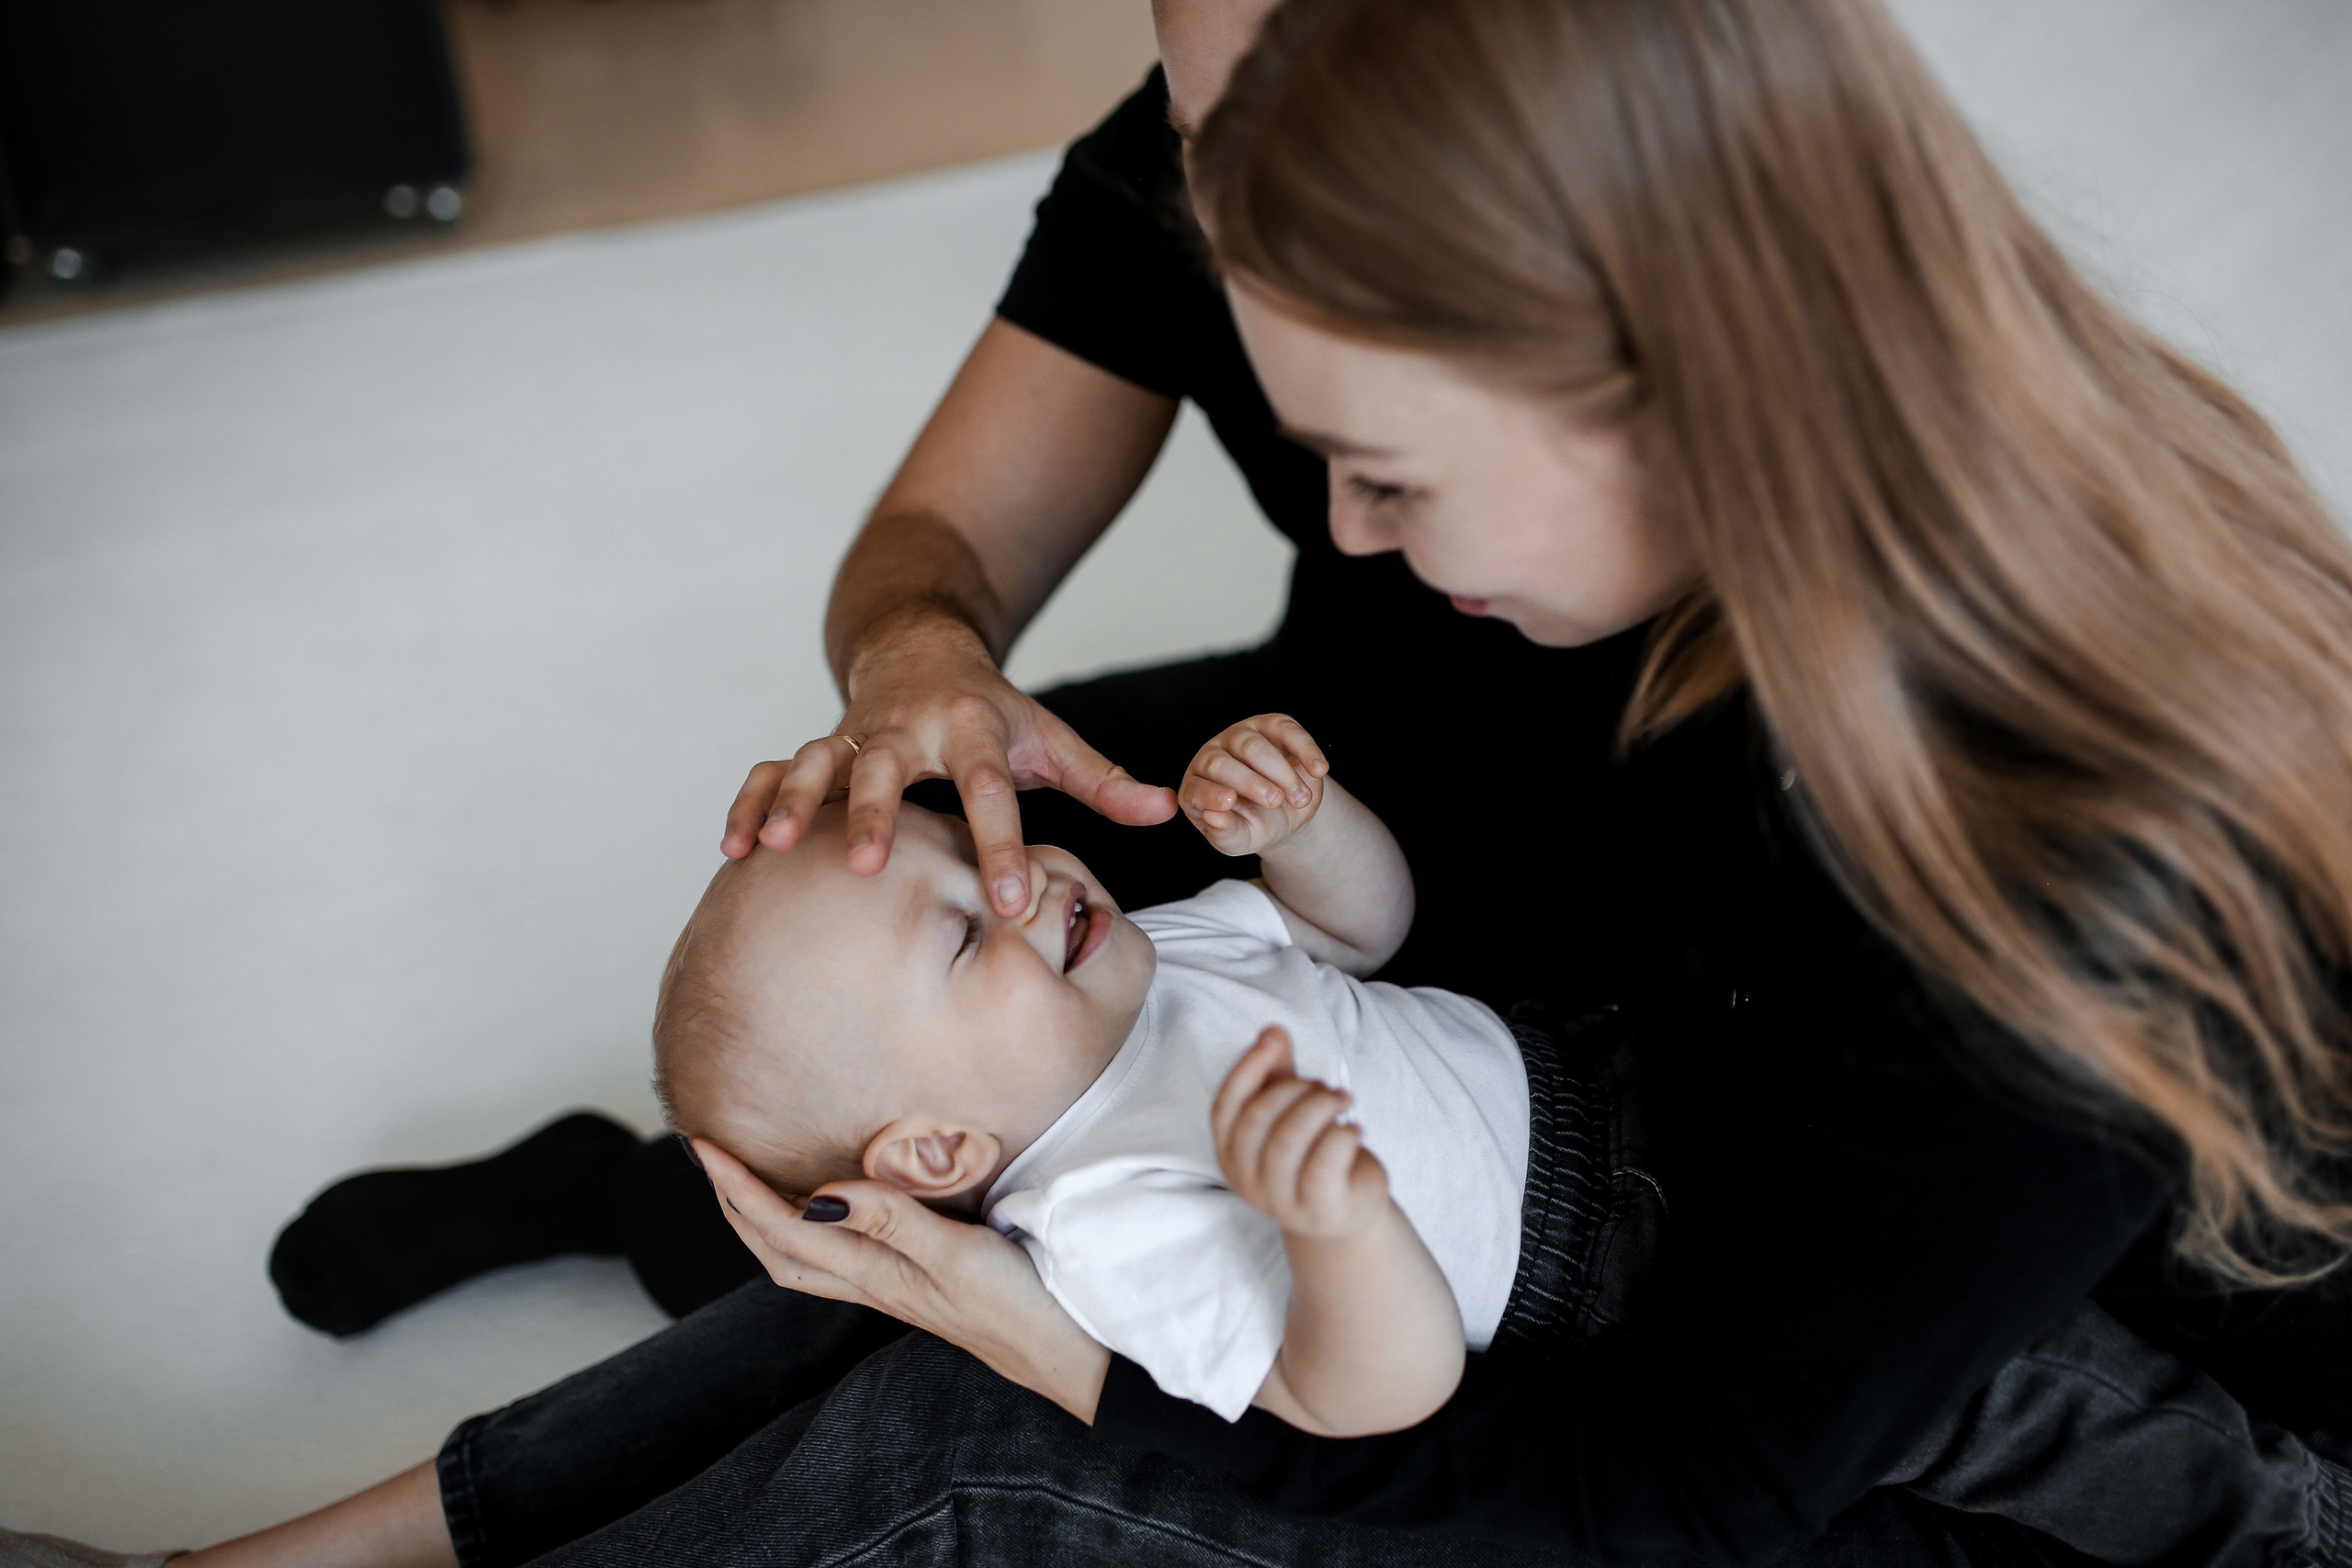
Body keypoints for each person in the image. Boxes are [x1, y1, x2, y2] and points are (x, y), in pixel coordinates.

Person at [130, 0, 2352, 1562]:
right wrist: (956, 703)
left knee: (1000, 1354)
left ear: (1662, 383)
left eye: (1384, 471)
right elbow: (956, 562)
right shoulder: (1706, 513)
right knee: (962, 1090)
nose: (1346, 527)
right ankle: (579, 1294)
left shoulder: (2049, 871)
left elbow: (1657, 1487)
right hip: (1576, 1042)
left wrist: (1090, 1352)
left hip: (2023, 1411)